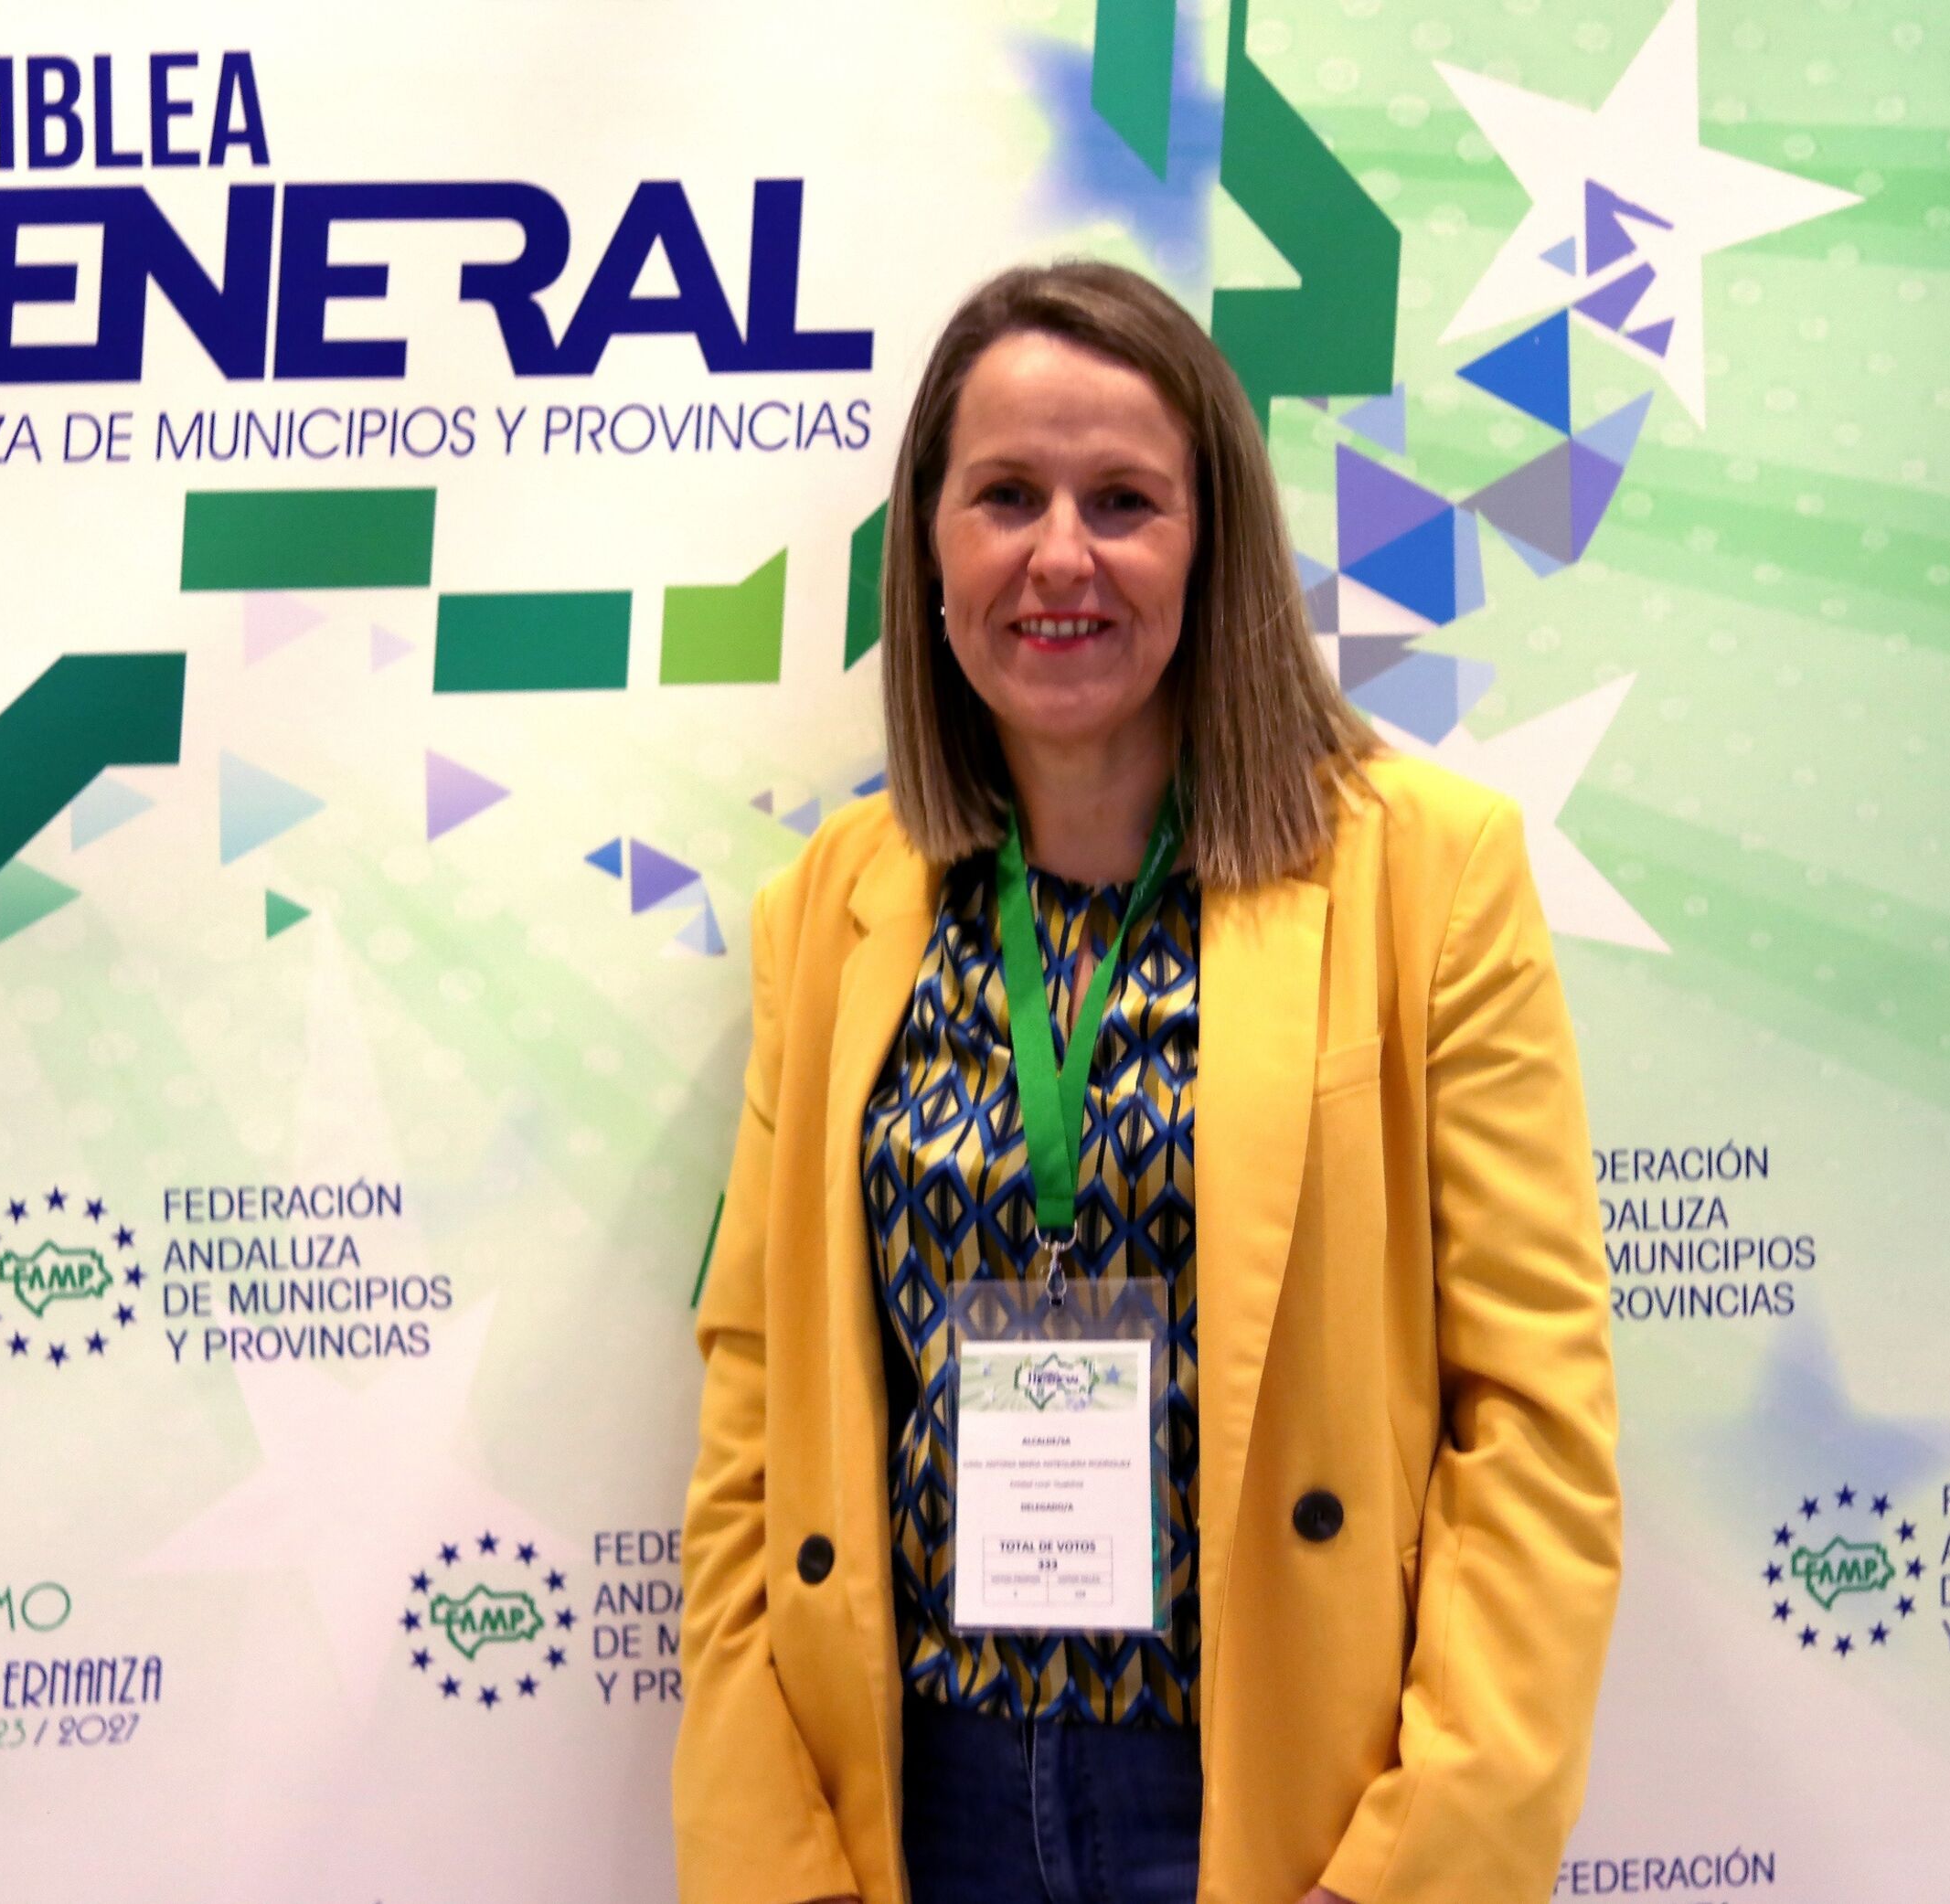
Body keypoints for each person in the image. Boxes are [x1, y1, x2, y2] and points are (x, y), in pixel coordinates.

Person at [672, 260, 1621, 1904]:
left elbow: (1530, 1421)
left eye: (1123, 501)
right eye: (1005, 496)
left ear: (1212, 542)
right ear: (931, 544)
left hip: (1273, 1804)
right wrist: (777, 1857)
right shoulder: (830, 909)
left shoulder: (1425, 877)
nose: (1061, 555)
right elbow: (754, 1407)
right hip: (913, 1795)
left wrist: (1408, 1867)